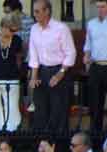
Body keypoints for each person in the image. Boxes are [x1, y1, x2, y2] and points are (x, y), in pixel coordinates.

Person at [28, 0, 76, 134]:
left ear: (47, 11)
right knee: (40, 110)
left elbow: (70, 53)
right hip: (42, 71)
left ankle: (59, 146)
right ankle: (41, 143)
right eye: (34, 11)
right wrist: (34, 76)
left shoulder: (61, 28)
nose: (35, 14)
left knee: (58, 110)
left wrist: (60, 74)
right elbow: (33, 54)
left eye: (37, 11)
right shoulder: (34, 29)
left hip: (60, 70)